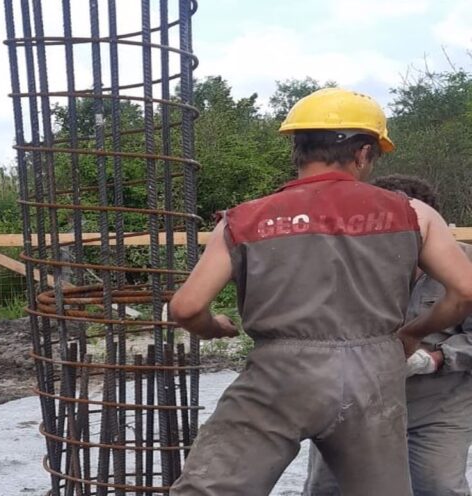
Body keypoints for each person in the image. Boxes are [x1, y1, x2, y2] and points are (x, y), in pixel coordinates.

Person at [167, 88, 472, 495]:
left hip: (280, 373)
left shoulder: (244, 219)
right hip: (374, 373)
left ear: (297, 147)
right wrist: (414, 332)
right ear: (364, 153)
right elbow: (465, 292)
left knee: (211, 489)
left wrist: (217, 327)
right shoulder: (414, 214)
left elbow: (186, 308)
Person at [303, 174, 472, 496]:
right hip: (353, 401)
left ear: (430, 223)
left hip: (439, 403)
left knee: (438, 487)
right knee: (327, 489)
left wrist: (436, 359)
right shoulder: (341, 264)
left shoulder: (468, 264)